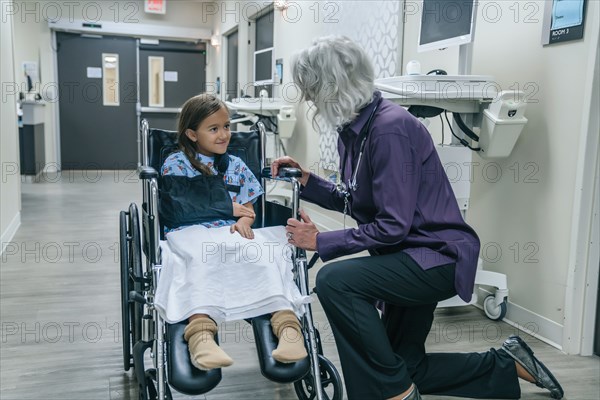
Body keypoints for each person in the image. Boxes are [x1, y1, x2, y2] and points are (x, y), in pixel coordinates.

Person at [272, 36, 564, 400]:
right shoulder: (354, 130)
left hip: (434, 258)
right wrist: (307, 180)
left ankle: (395, 393)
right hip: (405, 256)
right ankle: (505, 363)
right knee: (404, 365)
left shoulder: (389, 129)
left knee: (334, 281)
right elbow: (355, 199)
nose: (309, 99)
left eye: (312, 88)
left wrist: (321, 241)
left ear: (333, 85)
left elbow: (392, 226)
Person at [156, 94, 308, 371]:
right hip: (188, 230)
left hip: (228, 231)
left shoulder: (236, 165)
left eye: (227, 126)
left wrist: (243, 223)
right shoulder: (176, 164)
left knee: (261, 254)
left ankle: (288, 329)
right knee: (202, 260)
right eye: (213, 129)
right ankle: (201, 336)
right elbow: (178, 207)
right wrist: (228, 207)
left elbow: (248, 211)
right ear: (192, 134)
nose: (224, 134)